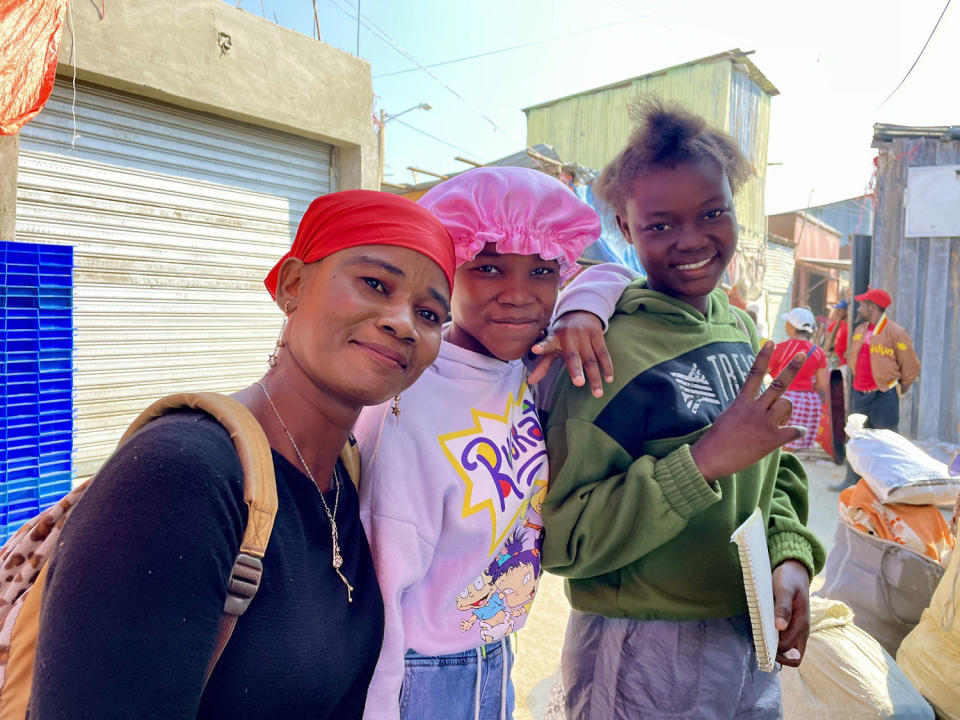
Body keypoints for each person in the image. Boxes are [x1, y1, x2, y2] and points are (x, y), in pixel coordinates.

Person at [28, 190, 458, 719]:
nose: (403, 323)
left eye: (430, 313)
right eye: (375, 284)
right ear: (293, 285)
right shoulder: (182, 475)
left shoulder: (346, 478)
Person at [540, 99, 826, 720]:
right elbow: (563, 540)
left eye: (713, 213)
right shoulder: (603, 353)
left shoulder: (745, 332)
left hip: (747, 628)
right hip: (643, 646)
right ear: (623, 224)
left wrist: (790, 556)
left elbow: (773, 471)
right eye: (661, 225)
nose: (692, 240)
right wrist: (699, 464)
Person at [355, 166, 625, 720]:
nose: (519, 295)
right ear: (443, 270)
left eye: (543, 271)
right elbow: (379, 590)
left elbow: (618, 275)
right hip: (420, 674)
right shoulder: (406, 394)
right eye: (487, 267)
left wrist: (579, 310)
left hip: (493, 649)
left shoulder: (527, 365)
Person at [834, 286, 921, 491]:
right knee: (856, 439)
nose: (858, 308)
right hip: (860, 394)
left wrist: (898, 389)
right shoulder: (859, 330)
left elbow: (910, 366)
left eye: (863, 304)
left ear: (872, 307)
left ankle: (888, 485)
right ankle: (851, 481)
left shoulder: (896, 332)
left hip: (883, 395)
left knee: (886, 442)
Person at [769, 307, 829, 451]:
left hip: (783, 398)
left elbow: (762, 372)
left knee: (778, 445)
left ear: (790, 326)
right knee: (792, 447)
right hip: (807, 402)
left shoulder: (780, 348)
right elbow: (822, 385)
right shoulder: (818, 352)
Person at [826, 298, 849, 365]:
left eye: (840, 310)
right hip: (835, 360)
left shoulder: (850, 326)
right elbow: (828, 339)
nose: (838, 312)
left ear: (846, 310)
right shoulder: (838, 323)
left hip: (844, 363)